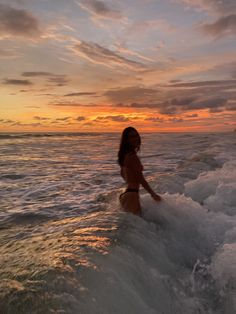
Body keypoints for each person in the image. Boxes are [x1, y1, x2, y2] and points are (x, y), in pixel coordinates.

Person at [118, 127, 161, 216]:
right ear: (126, 140)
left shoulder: (124, 156)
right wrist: (153, 194)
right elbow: (140, 178)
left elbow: (123, 175)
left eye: (136, 135)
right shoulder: (132, 157)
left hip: (126, 194)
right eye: (132, 137)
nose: (136, 138)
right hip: (132, 195)